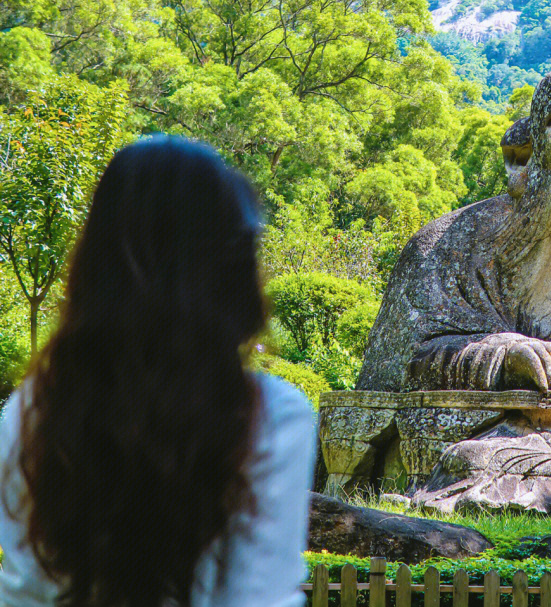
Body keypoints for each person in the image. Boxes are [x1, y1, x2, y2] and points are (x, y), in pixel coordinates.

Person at [0, 136, 316, 607]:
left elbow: (25, 590)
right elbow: (258, 597)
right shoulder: (269, 416)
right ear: (229, 268)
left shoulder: (34, 409)